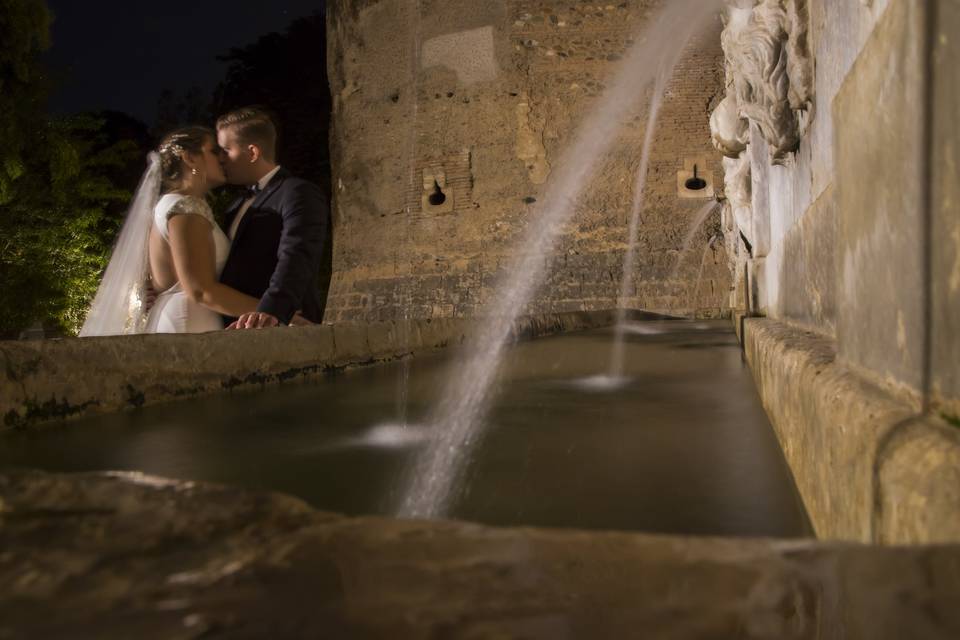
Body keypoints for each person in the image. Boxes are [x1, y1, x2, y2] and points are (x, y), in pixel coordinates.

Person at [80, 126, 262, 336]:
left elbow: (162, 281)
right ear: (190, 158)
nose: (221, 158)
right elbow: (201, 290)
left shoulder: (167, 206)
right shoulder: (186, 208)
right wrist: (274, 311)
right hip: (191, 323)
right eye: (213, 151)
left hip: (175, 318)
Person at [215, 106, 328, 330]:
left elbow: (297, 254)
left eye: (226, 150)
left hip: (280, 325)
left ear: (253, 152)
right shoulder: (235, 205)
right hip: (230, 327)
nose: (220, 159)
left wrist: (272, 309)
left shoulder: (298, 192)